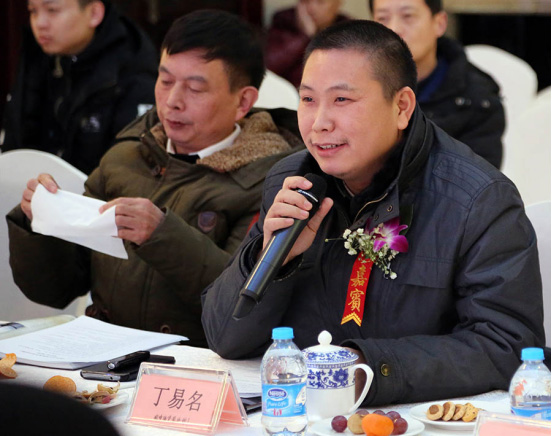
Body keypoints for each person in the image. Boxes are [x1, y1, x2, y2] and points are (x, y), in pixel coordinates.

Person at [201, 20, 545, 405]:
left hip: (415, 419)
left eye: (342, 100)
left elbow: (506, 345)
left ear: (401, 107)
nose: (319, 123)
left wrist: (367, 367)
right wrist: (273, 258)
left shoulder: (476, 200)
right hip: (303, 413)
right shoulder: (293, 182)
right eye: (308, 99)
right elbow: (224, 338)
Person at [6, 10, 303, 347]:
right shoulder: (125, 157)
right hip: (102, 355)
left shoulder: (273, 181)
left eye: (195, 88)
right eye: (165, 81)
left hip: (197, 362)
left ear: (243, 101)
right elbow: (55, 289)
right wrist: (38, 220)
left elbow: (242, 306)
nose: (173, 102)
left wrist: (162, 234)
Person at [1, 0, 158, 174]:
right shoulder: (37, 56)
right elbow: (14, 140)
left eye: (52, 10)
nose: (39, 23)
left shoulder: (132, 71)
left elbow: (130, 170)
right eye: (33, 11)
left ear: (94, 13)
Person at [368, 0, 505, 169]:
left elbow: (478, 180)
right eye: (383, 18)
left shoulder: (477, 100)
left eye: (408, 16)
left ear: (439, 23)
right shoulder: (353, 86)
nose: (394, 29)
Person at [265, 0, 348, 88]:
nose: (311, 8)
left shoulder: (347, 29)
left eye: (320, 2)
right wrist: (304, 36)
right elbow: (268, 67)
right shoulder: (283, 21)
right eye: (305, 1)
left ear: (338, 3)